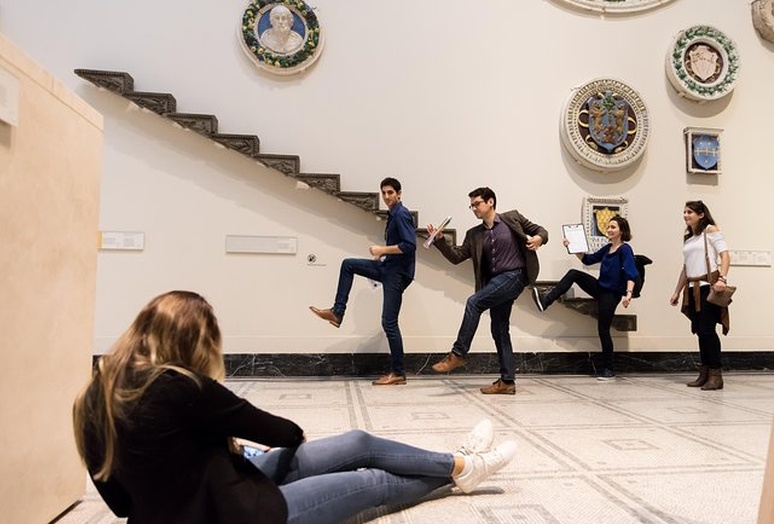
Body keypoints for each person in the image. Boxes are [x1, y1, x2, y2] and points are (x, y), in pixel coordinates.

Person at [73, 291, 518, 524]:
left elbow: (119, 504)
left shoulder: (89, 399)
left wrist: (216, 460)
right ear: (195, 343)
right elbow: (286, 433)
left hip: (221, 492)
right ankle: (462, 471)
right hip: (240, 517)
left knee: (358, 441)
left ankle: (460, 464)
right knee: (374, 482)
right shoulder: (184, 386)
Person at [426, 187, 548, 395]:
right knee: (499, 329)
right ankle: (507, 381)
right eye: (471, 205)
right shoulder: (474, 234)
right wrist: (439, 240)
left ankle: (458, 354)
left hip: (515, 276)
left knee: (474, 302)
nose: (474, 208)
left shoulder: (513, 218)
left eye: (477, 204)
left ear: (490, 202)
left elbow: (542, 231)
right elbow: (457, 257)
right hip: (495, 283)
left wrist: (539, 239)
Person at [310, 177, 416, 386]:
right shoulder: (393, 214)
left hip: (397, 274)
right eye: (384, 193)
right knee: (348, 264)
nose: (386, 197)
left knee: (389, 323)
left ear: (399, 194)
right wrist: (384, 256)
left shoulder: (402, 214)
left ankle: (399, 373)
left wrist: (382, 250)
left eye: (390, 193)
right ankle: (337, 312)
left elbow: (409, 245)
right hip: (388, 267)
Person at [531, 216, 639, 381]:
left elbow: (631, 271)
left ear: (622, 231)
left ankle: (609, 370)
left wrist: (629, 294)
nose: (609, 230)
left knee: (603, 330)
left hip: (612, 294)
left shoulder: (625, 249)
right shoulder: (608, 248)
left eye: (613, 227)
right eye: (608, 227)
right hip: (600, 288)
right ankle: (546, 300)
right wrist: (573, 247)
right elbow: (588, 260)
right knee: (574, 273)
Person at [669, 200, 731, 391]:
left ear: (701, 214)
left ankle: (715, 374)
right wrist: (677, 291)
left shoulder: (710, 231)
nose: (686, 215)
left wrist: (722, 278)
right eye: (685, 212)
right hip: (691, 288)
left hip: (707, 287)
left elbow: (725, 255)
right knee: (699, 331)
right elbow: (686, 267)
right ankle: (704, 373)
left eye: (690, 212)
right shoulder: (688, 238)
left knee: (707, 330)